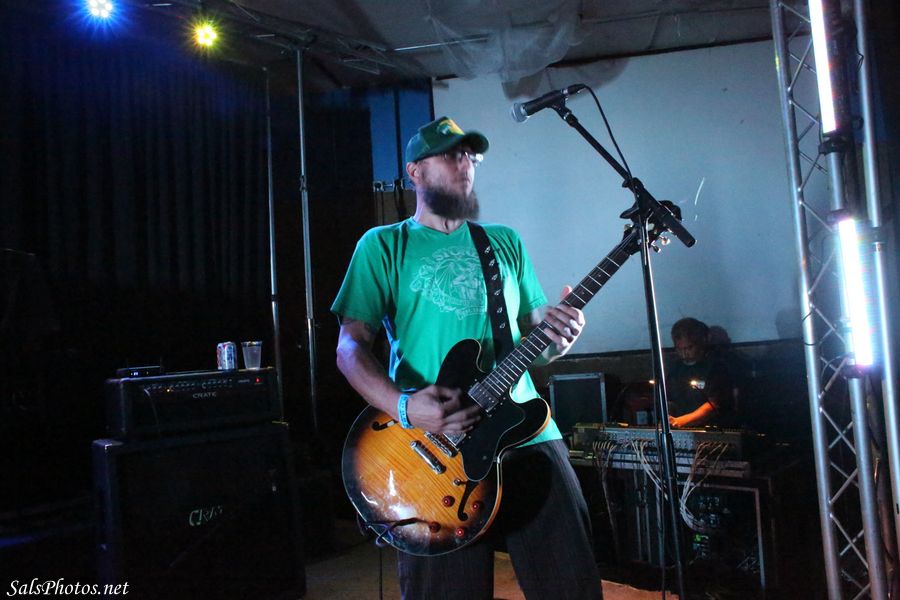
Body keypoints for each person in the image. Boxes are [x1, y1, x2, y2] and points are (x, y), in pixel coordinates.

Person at [332, 116, 603, 599]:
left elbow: (537, 339)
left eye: (470, 156)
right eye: (451, 155)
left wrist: (562, 336)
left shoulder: (504, 241)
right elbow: (350, 347)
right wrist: (405, 407)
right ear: (415, 171)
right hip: (435, 449)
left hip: (526, 433)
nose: (465, 165)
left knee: (571, 586)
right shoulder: (383, 245)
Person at [666, 317, 736, 428]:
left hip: (713, 429)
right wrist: (668, 418)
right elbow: (670, 399)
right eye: (679, 349)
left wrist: (680, 421)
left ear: (703, 341)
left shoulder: (716, 367)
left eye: (689, 347)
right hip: (682, 429)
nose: (684, 353)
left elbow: (714, 404)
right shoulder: (675, 368)